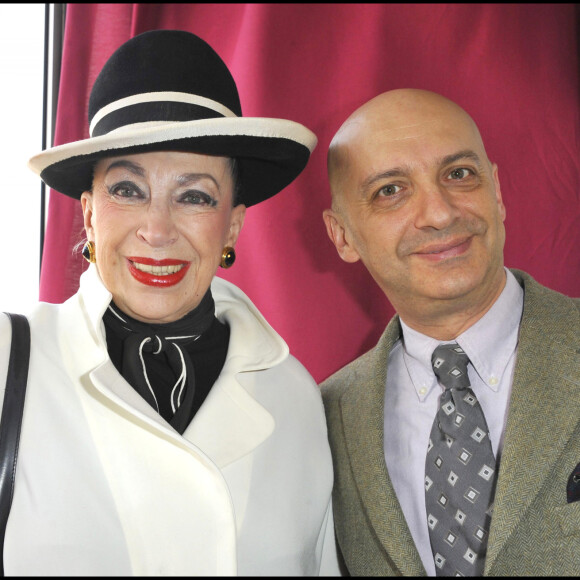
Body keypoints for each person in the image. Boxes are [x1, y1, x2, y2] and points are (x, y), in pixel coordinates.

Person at [0, 30, 341, 576]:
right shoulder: (7, 364)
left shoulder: (295, 399)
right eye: (127, 190)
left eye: (195, 196)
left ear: (232, 223)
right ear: (89, 214)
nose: (156, 231)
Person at [321, 88, 580, 576]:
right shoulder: (324, 420)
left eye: (459, 175)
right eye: (390, 190)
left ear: (497, 193)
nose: (439, 213)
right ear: (342, 235)